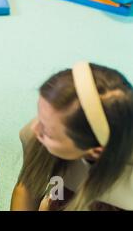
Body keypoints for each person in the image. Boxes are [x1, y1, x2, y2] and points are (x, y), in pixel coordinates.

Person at [11, 62, 133, 211]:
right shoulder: (36, 135)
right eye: (40, 116)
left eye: (48, 132)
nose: (33, 128)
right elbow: (28, 187)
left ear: (96, 151)